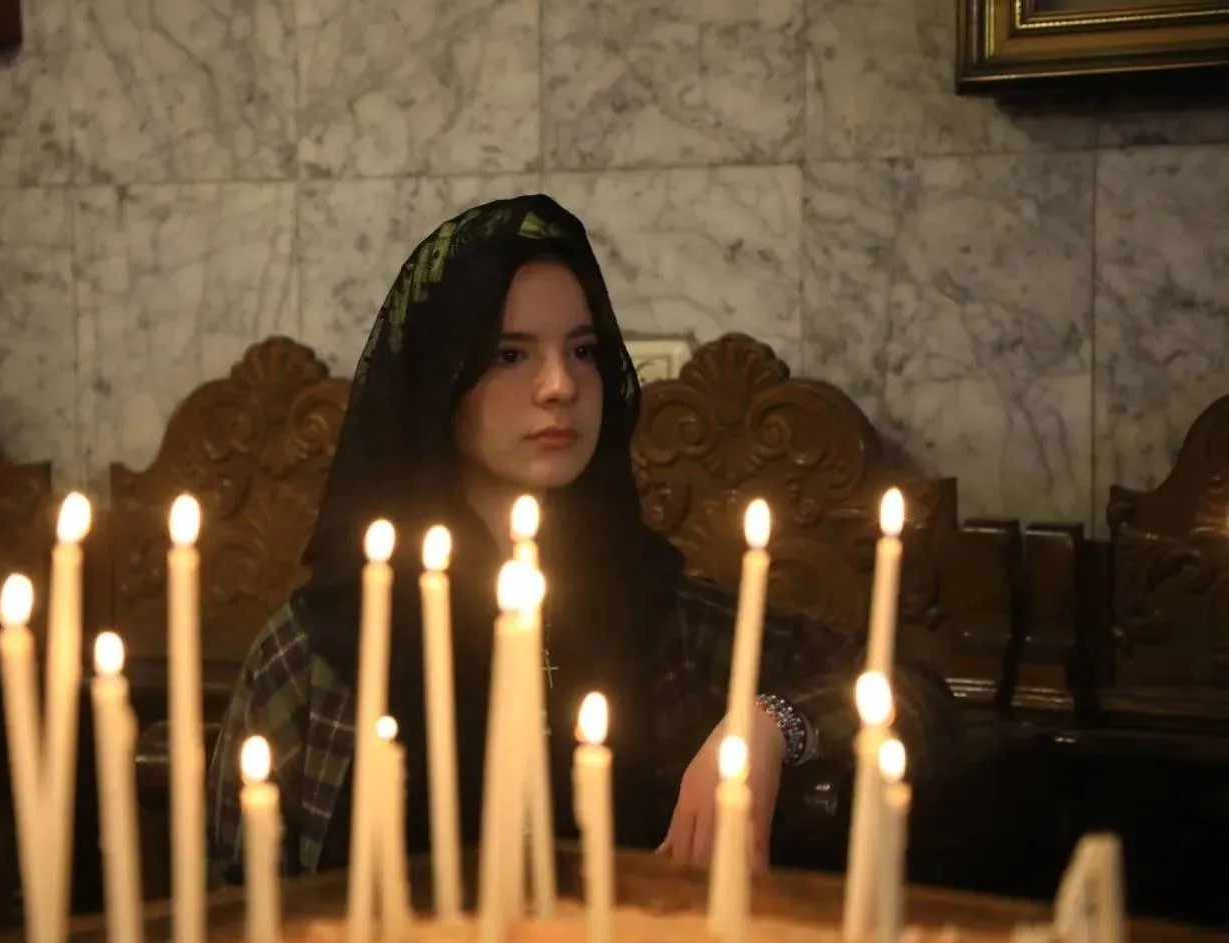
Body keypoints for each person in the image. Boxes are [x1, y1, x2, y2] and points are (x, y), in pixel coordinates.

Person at [207, 194, 961, 880]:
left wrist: (766, 728)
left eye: (583, 350)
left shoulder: (651, 607)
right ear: (438, 379)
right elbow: (229, 912)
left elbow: (911, 694)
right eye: (510, 355)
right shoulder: (325, 644)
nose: (559, 386)